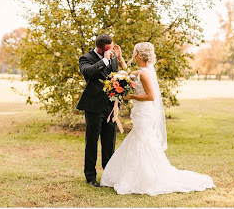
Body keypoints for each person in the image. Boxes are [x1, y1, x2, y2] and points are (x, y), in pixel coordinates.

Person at [100, 42, 216, 195]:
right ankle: (138, 176)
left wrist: (130, 96)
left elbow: (150, 96)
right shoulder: (142, 71)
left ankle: (148, 178)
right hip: (141, 112)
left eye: (134, 53)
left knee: (142, 142)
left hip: (144, 113)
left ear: (139, 55)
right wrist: (120, 58)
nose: (133, 55)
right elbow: (127, 75)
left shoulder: (145, 73)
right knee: (140, 141)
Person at [76, 34, 126, 187]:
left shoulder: (113, 58)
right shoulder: (86, 58)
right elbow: (88, 72)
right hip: (93, 106)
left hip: (110, 106)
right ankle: (90, 176)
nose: (111, 52)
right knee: (92, 141)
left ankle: (108, 175)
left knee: (109, 141)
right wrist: (104, 60)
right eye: (108, 50)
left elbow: (116, 77)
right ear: (100, 48)